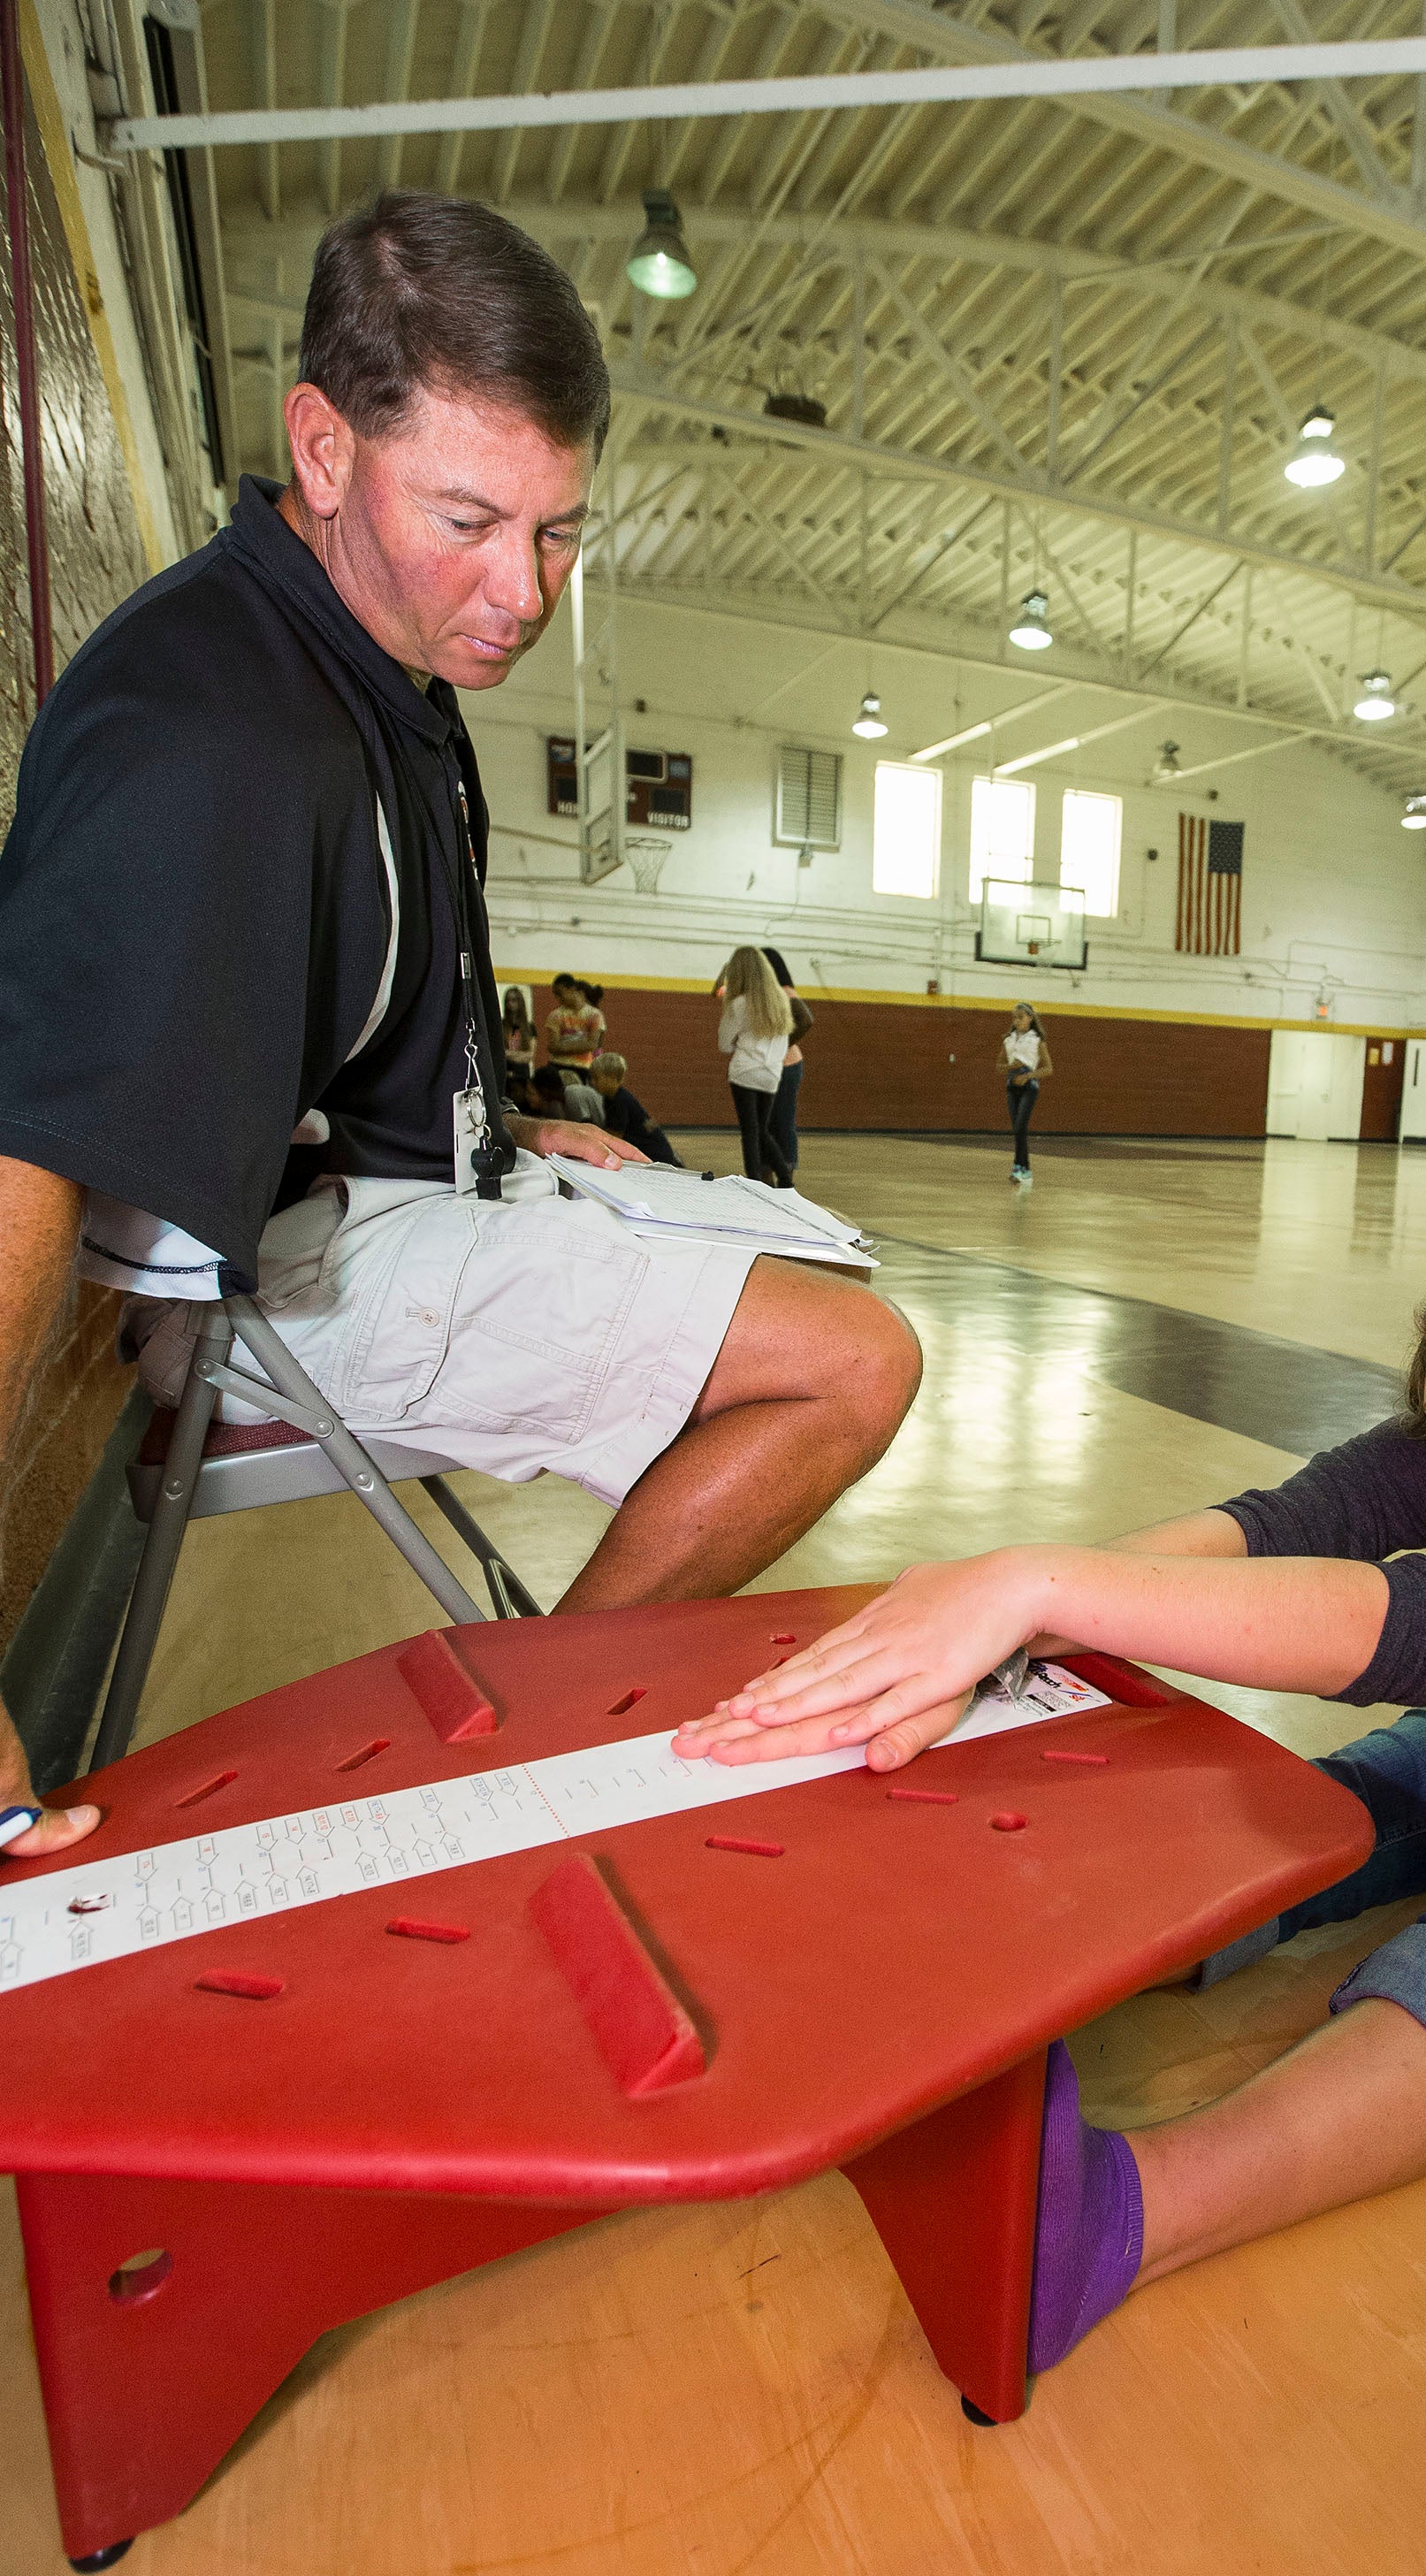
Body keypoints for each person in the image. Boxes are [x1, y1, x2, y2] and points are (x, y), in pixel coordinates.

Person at [0, 189, 920, 1861]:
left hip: (387, 1196)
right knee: (854, 1366)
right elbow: (20, 1159)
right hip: (249, 1304)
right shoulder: (208, 730)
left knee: (806, 1260)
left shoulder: (379, 660)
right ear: (324, 446)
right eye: (472, 520)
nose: (523, 589)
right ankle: (535, 1746)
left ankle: (530, 1707)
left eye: (561, 531)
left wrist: (496, 1119)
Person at [673, 1230, 1426, 2376]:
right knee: (1335, 1812)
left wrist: (1042, 1582)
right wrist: (1005, 1630)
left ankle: (1117, 2228)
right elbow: (1285, 1527)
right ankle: (962, 1976)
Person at [717, 944, 794, 1186]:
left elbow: (724, 1045)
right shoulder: (781, 999)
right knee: (761, 1130)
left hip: (745, 1073)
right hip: (772, 1074)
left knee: (750, 1132)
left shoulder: (739, 1003)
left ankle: (754, 1184)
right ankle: (784, 1177)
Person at [761, 946, 814, 1181]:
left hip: (786, 1066)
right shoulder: (763, 992)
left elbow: (805, 1019)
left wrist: (780, 1047)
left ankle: (785, 1177)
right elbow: (718, 993)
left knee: (782, 1121)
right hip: (768, 1066)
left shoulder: (784, 992)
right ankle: (765, 1173)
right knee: (765, 1124)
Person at [590, 1051, 681, 1166]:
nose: (593, 1083)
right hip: (657, 1152)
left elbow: (615, 1138)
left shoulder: (620, 1101)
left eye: (597, 1079)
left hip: (655, 1156)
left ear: (613, 1078)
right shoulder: (611, 1098)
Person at [1001, 1001, 1052, 1189]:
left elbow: (1048, 1069)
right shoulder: (1009, 1039)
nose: (1017, 1021)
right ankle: (1026, 1170)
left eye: (1021, 1017)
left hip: (1029, 1086)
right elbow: (1001, 1064)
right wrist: (1008, 1068)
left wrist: (1028, 1075)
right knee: (1018, 1129)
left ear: (1030, 1018)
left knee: (1021, 1125)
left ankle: (1017, 1167)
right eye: (1014, 1017)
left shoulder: (1037, 1040)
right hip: (1011, 1085)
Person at [543, 971, 606, 1075]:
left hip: (583, 1068)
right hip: (557, 1066)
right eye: (555, 995)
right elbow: (553, 1047)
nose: (557, 998)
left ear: (572, 989)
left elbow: (592, 1044)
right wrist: (583, 1044)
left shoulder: (595, 1015)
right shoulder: (555, 1015)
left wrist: (562, 1045)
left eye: (560, 993)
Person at [501, 984, 535, 1071]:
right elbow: (500, 1053)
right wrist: (519, 1055)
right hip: (506, 1070)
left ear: (520, 1002)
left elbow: (530, 1055)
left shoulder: (529, 1027)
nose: (510, 1004)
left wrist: (509, 1054)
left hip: (522, 1072)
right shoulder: (502, 1025)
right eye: (508, 1001)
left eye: (514, 1000)